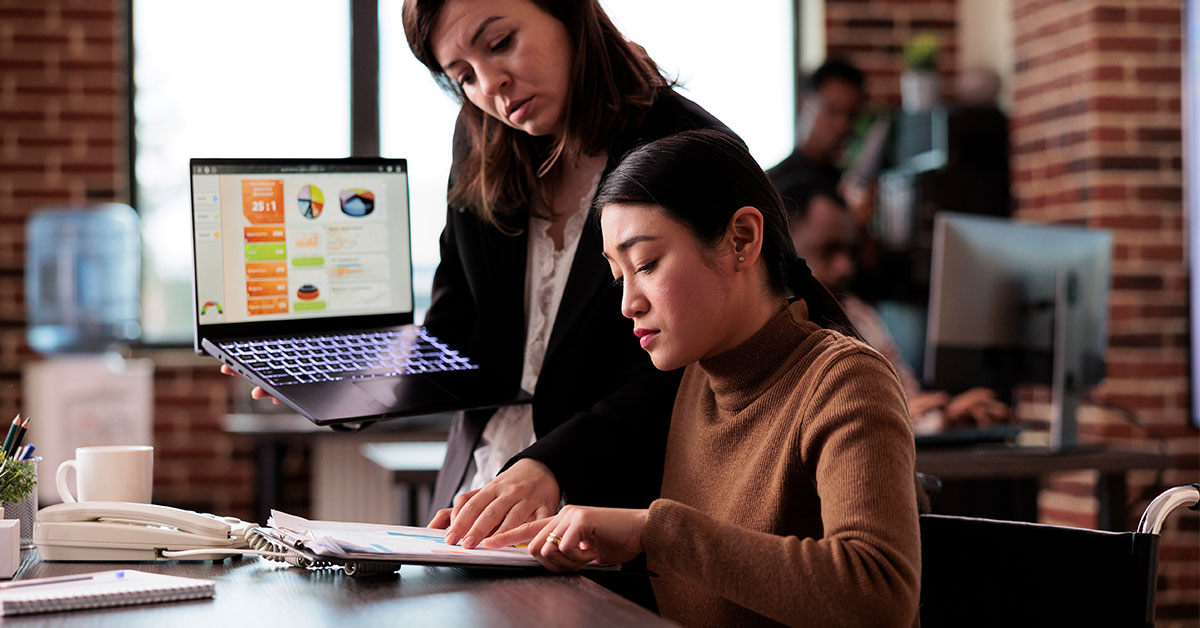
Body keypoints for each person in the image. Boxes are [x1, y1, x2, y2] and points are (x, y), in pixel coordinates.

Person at [221, 0, 740, 555]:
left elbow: (693, 372)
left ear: (569, 14)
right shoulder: (479, 142)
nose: (492, 85)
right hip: (480, 494)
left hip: (618, 505)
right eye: (462, 75)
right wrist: (339, 380)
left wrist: (551, 463)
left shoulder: (686, 147)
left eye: (500, 43)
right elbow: (456, 329)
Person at [486, 130, 922, 628]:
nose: (628, 303)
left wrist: (654, 532)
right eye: (618, 275)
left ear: (742, 239)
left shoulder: (845, 381)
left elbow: (880, 597)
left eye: (646, 264)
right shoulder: (694, 377)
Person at [786, 184, 1010, 432]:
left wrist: (947, 413)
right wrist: (913, 414)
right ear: (785, 247)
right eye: (829, 251)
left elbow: (906, 398)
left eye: (850, 252)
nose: (845, 267)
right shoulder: (782, 332)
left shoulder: (859, 313)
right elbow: (832, 423)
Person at [767, 58, 868, 224]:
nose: (843, 125)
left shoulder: (844, 186)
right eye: (833, 110)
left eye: (851, 114)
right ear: (804, 105)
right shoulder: (774, 185)